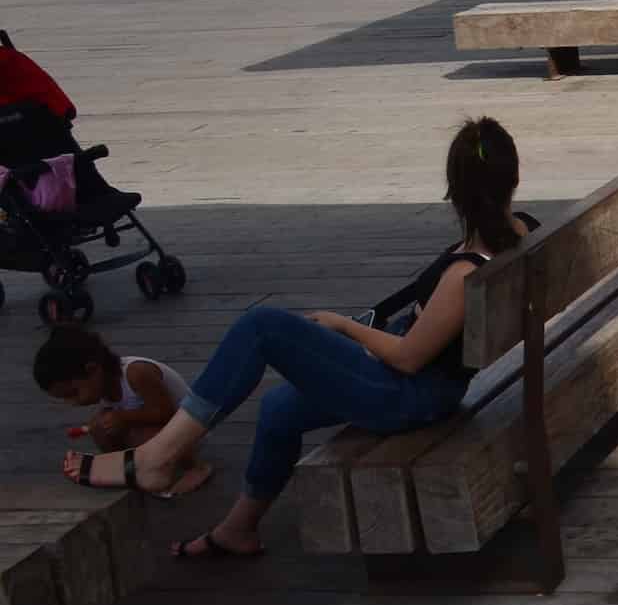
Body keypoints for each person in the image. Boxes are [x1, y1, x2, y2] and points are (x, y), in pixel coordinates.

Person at [67, 118, 534, 557]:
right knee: (278, 409)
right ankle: (238, 529)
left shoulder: (464, 273)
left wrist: (346, 325)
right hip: (428, 383)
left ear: (454, 190)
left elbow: (411, 358)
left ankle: (159, 455)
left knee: (261, 327)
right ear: (512, 178)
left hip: (410, 394)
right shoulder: (523, 231)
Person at [35, 325, 200, 471]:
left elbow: (166, 411)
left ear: (93, 370)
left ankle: (190, 469)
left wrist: (123, 417)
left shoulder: (136, 374)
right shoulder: (105, 386)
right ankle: (127, 468)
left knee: (137, 435)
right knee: (98, 427)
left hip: (186, 433)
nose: (73, 402)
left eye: (73, 393)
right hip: (161, 432)